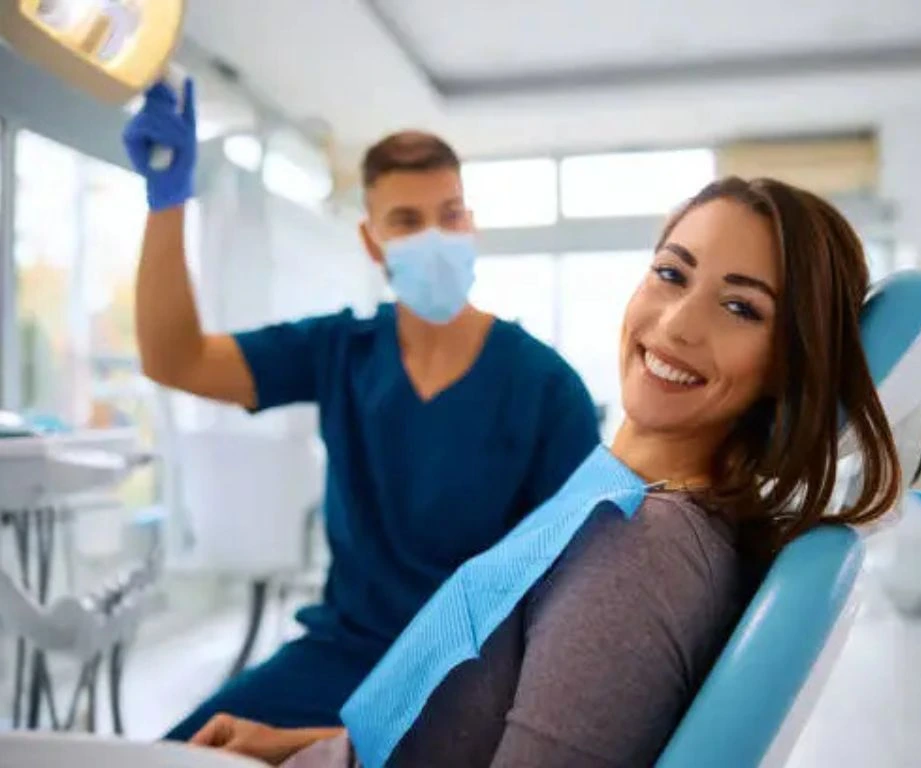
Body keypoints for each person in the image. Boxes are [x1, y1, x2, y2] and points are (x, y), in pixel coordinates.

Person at [188, 176, 903, 767]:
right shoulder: (617, 494)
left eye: (742, 307)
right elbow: (458, 733)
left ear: (788, 367)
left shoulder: (641, 550)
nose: (679, 324)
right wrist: (305, 749)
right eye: (670, 273)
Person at [120, 81, 600, 738]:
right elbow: (177, 360)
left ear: (471, 225)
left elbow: (573, 601)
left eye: (450, 214)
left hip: (469, 674)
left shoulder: (547, 387)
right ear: (372, 243)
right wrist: (167, 201)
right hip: (340, 660)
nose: (434, 236)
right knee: (177, 754)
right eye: (406, 221)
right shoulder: (340, 352)